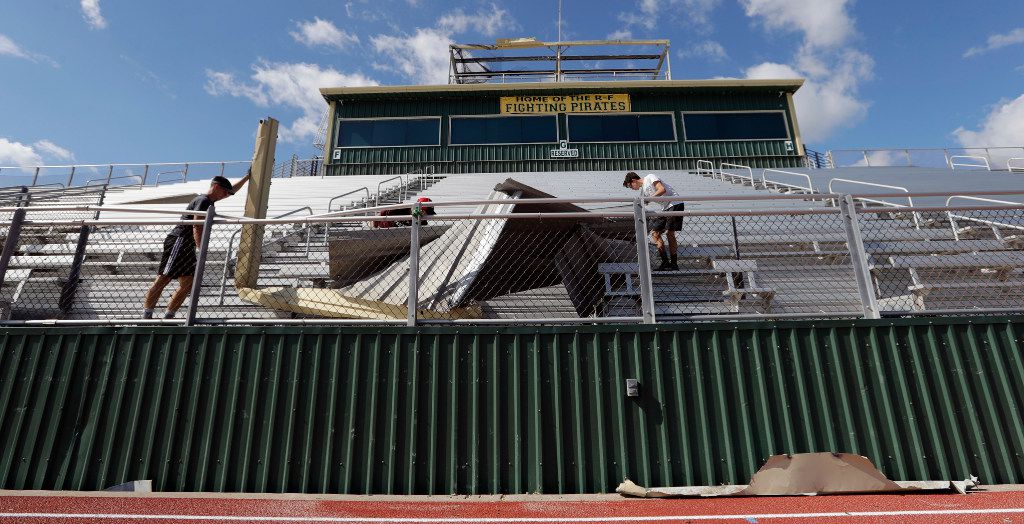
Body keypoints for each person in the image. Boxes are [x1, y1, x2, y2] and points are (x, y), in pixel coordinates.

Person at [142, 173, 250, 319]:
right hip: (179, 241)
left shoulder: (209, 201)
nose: (226, 195)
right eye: (224, 192)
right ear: (216, 187)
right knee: (164, 278)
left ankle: (169, 316)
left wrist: (246, 177)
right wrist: (202, 248)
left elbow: (232, 191)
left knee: (188, 283)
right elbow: (196, 225)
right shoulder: (203, 200)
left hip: (187, 244)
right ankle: (147, 316)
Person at [623, 171, 684, 271]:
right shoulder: (643, 192)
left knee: (669, 233)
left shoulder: (650, 177)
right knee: (655, 233)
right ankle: (665, 262)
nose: (632, 189)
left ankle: (674, 263)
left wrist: (649, 199)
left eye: (630, 186)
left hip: (675, 203)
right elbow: (642, 203)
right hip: (665, 207)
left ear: (634, 181)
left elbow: (662, 189)